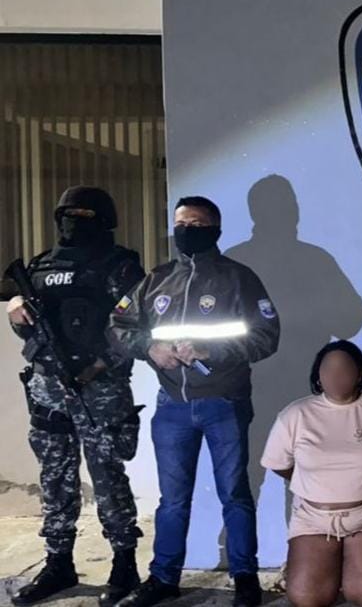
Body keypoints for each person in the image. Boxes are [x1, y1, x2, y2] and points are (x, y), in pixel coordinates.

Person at [108, 196, 280, 607]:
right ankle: (163, 577)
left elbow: (266, 337)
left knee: (234, 495)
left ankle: (245, 578)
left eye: (197, 223)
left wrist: (210, 351)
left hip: (225, 402)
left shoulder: (239, 278)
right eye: (181, 223)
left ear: (215, 229)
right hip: (172, 406)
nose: (187, 230)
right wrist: (150, 347)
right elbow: (117, 326)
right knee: (172, 501)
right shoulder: (157, 279)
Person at [5, 186, 145, 606]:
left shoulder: (120, 266)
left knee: (108, 478)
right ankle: (58, 562)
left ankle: (124, 562)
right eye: (69, 213)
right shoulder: (39, 267)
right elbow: (29, 328)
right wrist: (16, 312)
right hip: (49, 387)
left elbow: (135, 328)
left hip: (100, 388)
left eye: (84, 215)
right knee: (55, 479)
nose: (74, 221)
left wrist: (97, 367)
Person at [261, 340, 362, 607]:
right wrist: (317, 484)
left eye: (344, 369)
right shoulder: (295, 414)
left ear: (359, 373)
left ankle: (351, 566)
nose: (336, 375)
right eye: (328, 369)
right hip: (312, 517)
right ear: (317, 375)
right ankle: (321, 566)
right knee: (306, 598)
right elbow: (279, 463)